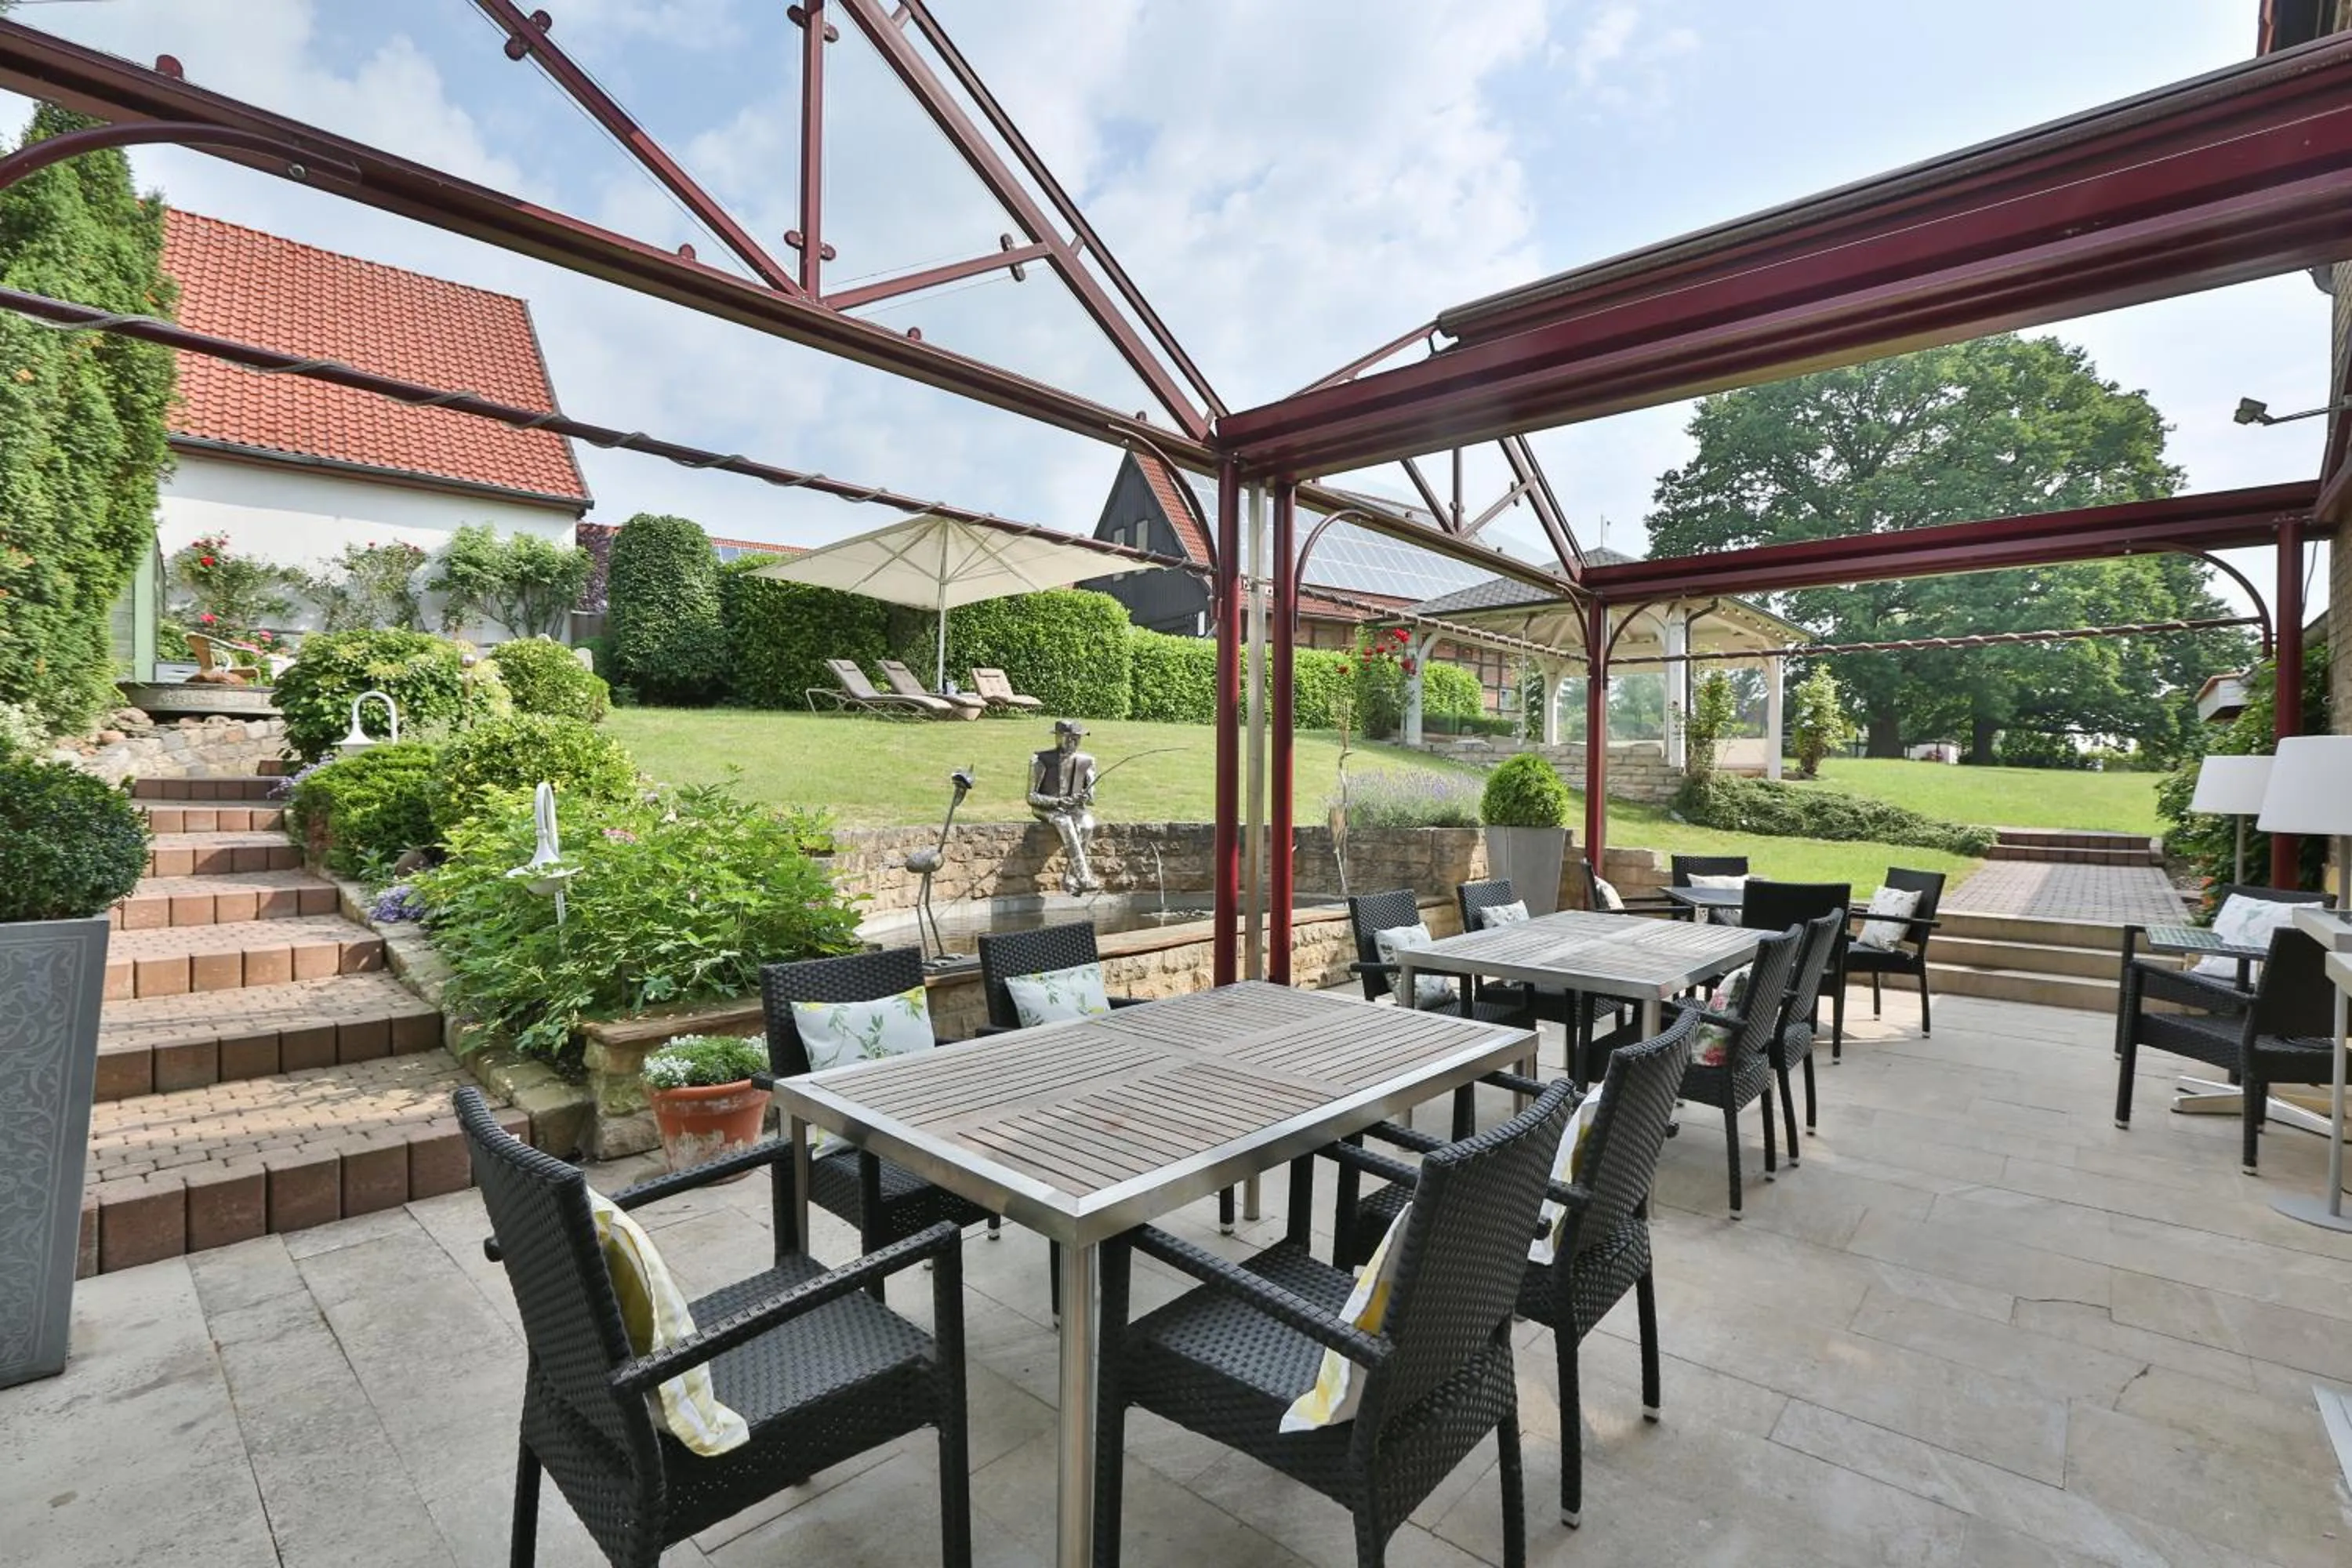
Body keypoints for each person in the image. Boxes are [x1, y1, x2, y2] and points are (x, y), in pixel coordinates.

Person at [1028, 719, 1101, 895]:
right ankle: (1084, 876)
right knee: (1065, 822)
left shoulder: (1086, 761)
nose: (1073, 743)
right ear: (1058, 738)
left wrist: (1083, 797)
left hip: (1073, 808)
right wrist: (1057, 802)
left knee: (1088, 823)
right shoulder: (1040, 759)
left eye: (1077, 738)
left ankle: (1070, 877)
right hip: (1047, 808)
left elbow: (1091, 798)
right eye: (1069, 738)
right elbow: (1031, 796)